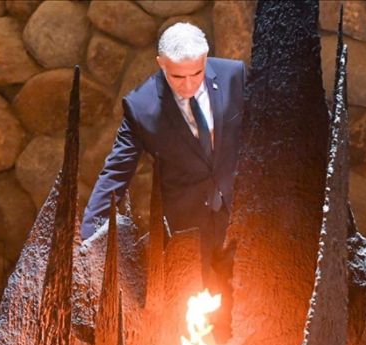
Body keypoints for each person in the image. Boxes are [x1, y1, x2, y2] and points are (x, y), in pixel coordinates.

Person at [81, 23, 245, 280]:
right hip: (186, 231)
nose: (188, 85)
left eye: (196, 73)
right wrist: (88, 237)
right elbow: (116, 171)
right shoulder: (141, 106)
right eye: (178, 77)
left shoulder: (235, 76)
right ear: (161, 63)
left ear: (205, 58)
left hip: (241, 218)